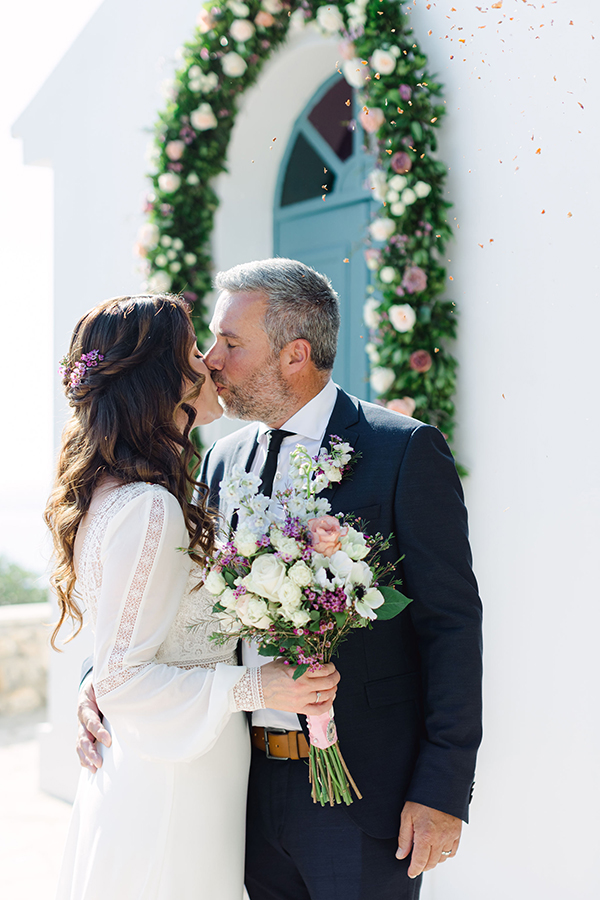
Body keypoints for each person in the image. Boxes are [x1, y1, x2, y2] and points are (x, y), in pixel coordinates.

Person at [78, 260, 483, 900]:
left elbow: (452, 626)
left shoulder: (402, 451)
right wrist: (97, 682)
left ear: (295, 354)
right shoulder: (219, 460)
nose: (211, 360)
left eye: (230, 343)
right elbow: (158, 596)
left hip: (364, 795)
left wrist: (442, 790)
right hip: (238, 788)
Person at [48, 293, 339, 900]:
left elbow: (123, 641)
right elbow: (124, 678)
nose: (210, 361)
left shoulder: (116, 491)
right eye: (194, 351)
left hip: (170, 765)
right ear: (163, 380)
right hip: (172, 784)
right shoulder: (150, 507)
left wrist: (94, 681)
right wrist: (257, 688)